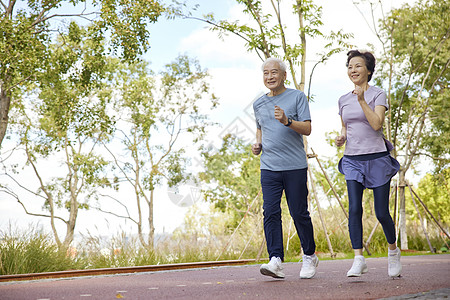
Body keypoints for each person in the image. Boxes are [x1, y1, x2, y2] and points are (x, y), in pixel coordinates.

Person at [335, 50, 402, 278]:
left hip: (377, 159)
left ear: (369, 70)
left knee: (381, 212)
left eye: (358, 66)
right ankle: (358, 259)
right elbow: (346, 126)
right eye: (350, 66)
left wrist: (362, 100)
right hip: (353, 159)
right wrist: (342, 136)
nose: (353, 70)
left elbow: (376, 124)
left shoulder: (378, 94)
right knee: (354, 209)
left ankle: (393, 252)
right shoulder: (343, 99)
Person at [252, 57, 318, 279]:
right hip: (269, 167)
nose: (269, 77)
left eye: (274, 72)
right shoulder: (258, 104)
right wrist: (258, 144)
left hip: (294, 166)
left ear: (283, 75)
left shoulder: (297, 97)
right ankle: (276, 260)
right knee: (270, 212)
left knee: (299, 212)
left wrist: (287, 121)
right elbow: (260, 128)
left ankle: (309, 255)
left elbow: (307, 128)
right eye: (265, 73)